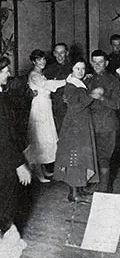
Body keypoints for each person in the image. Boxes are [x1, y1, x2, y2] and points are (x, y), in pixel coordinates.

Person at [53, 58, 100, 202]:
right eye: (77, 68)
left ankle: (79, 188)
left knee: (82, 156)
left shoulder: (79, 83)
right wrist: (92, 96)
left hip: (81, 124)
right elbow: (75, 107)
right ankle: (73, 194)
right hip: (74, 127)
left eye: (83, 68)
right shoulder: (71, 86)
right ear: (71, 70)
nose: (81, 71)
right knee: (75, 157)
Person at [0, 57, 31, 256]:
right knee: (6, 202)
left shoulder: (4, 96)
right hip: (4, 161)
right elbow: (3, 137)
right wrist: (19, 164)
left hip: (4, 156)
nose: (8, 74)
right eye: (4, 71)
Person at [25, 49, 66, 183]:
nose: (42, 62)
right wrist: (66, 80)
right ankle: (38, 173)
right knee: (38, 139)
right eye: (38, 60)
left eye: (43, 59)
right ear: (33, 61)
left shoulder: (40, 74)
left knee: (45, 138)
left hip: (46, 106)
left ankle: (42, 171)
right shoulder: (34, 75)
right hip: (40, 107)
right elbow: (47, 85)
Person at [87, 50, 120, 193]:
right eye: (94, 62)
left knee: (104, 158)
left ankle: (104, 189)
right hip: (90, 124)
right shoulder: (88, 79)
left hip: (107, 125)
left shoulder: (114, 81)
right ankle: (96, 184)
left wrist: (101, 98)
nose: (97, 65)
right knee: (92, 156)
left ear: (106, 63)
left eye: (100, 62)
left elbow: (118, 104)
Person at [44, 42, 72, 134]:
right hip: (53, 105)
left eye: (62, 52)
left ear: (67, 53)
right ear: (54, 53)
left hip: (68, 105)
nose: (59, 56)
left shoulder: (73, 67)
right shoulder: (48, 69)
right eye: (57, 53)